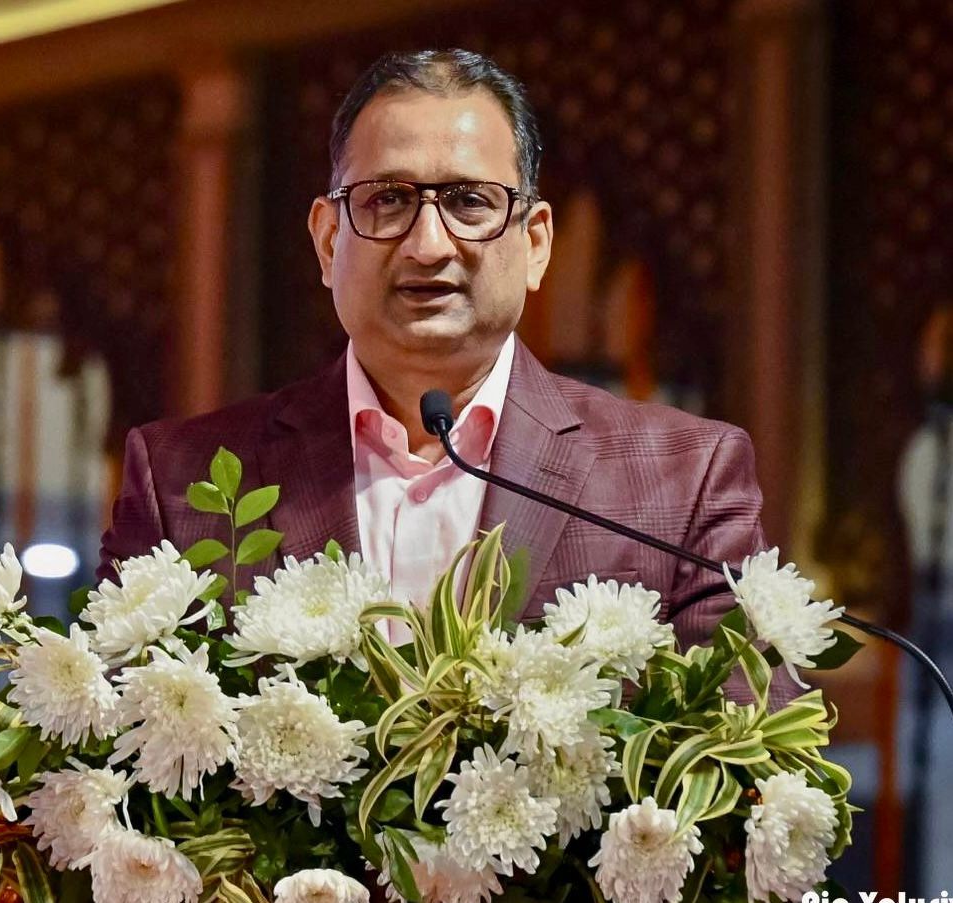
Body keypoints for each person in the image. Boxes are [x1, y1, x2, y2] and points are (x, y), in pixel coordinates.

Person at [99, 48, 797, 708]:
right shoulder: (182, 482)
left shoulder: (682, 480)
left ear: (534, 243)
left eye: (468, 202)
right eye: (387, 200)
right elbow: (102, 752)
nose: (428, 245)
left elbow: (745, 762)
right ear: (328, 241)